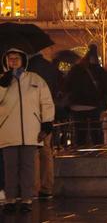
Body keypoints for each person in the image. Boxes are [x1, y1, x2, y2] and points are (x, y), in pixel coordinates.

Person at [0, 49, 55, 214]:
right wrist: (3, 85)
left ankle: (27, 199)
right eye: (11, 59)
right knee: (10, 168)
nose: (14, 61)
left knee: (28, 167)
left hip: (31, 131)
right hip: (8, 131)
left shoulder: (35, 79)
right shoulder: (2, 80)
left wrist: (46, 123)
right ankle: (10, 199)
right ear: (6, 61)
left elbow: (45, 102)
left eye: (17, 58)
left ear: (23, 60)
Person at [28, 49, 57, 200]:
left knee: (33, 151)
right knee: (46, 151)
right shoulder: (50, 66)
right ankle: (47, 187)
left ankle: (34, 187)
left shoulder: (29, 69)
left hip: (33, 114)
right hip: (48, 112)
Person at [64, 44, 106, 146]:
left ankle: (80, 150)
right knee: (96, 132)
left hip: (77, 105)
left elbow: (66, 86)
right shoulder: (98, 70)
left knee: (79, 132)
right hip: (94, 105)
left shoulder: (75, 70)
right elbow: (105, 87)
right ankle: (98, 151)